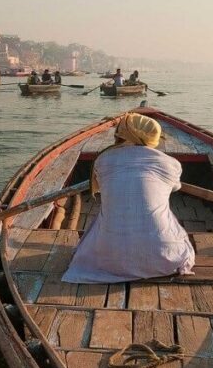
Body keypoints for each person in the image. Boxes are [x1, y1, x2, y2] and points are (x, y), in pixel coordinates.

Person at [61, 113, 195, 283]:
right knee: (168, 218)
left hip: (108, 259)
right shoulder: (172, 163)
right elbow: (176, 187)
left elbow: (102, 187)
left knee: (101, 219)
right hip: (164, 258)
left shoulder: (103, 159)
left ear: (122, 134)